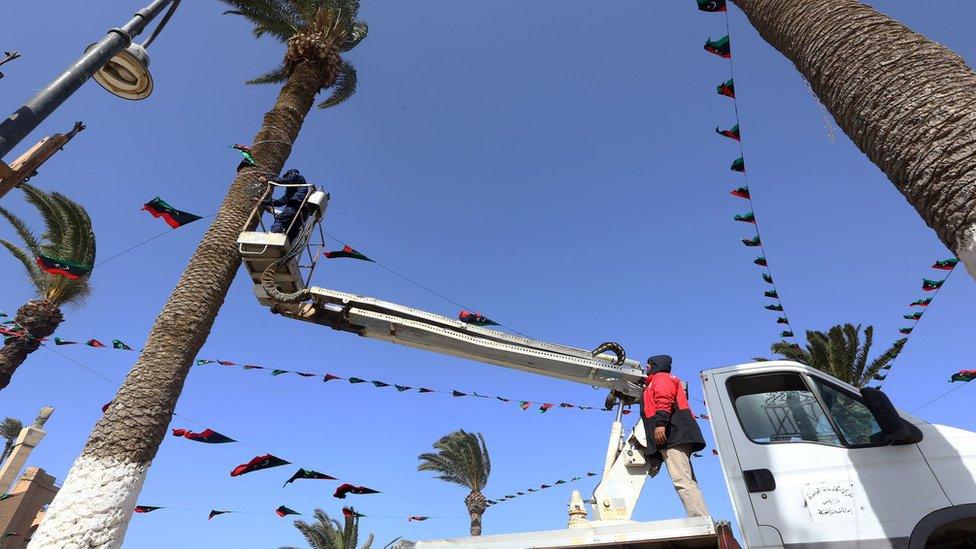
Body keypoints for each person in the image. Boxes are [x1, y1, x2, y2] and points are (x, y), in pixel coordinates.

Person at [641, 355, 709, 518]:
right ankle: (701, 516)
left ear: (656, 365)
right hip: (674, 436)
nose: (646, 367)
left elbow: (664, 399)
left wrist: (660, 425)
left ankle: (699, 519)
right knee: (686, 478)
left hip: (674, 435)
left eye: (649, 364)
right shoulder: (655, 382)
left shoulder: (661, 378)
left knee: (682, 480)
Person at [262, 169, 310, 238]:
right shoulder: (292, 190)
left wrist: (268, 180)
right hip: (302, 212)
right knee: (291, 230)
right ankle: (287, 245)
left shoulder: (297, 177)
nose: (285, 178)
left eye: (287, 176)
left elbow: (287, 180)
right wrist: (264, 202)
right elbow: (281, 201)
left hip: (296, 204)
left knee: (281, 219)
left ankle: (275, 236)